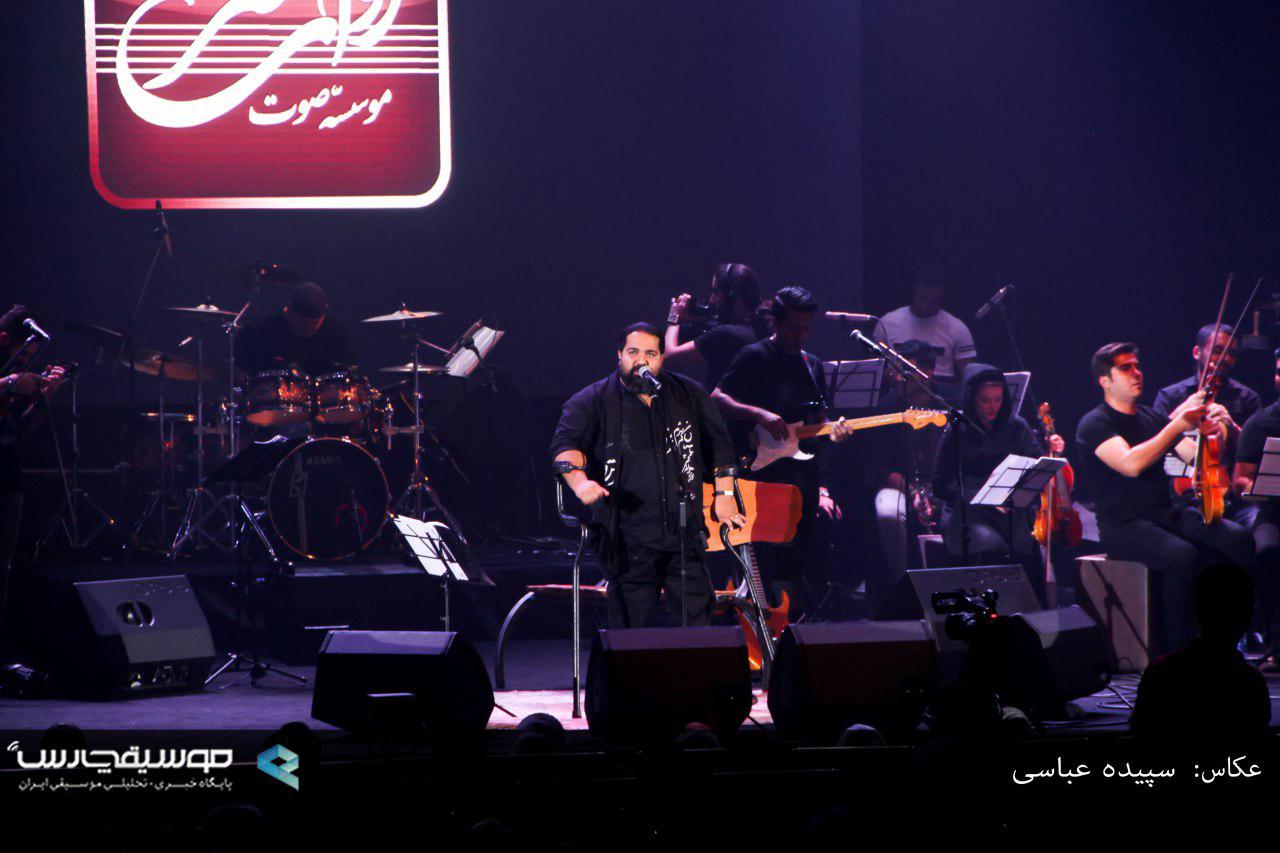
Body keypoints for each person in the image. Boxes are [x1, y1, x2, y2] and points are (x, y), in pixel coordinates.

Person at [550, 322, 745, 628]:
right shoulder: (592, 400)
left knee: (698, 626)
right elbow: (565, 448)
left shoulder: (688, 394)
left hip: (684, 532)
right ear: (619, 354)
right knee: (631, 633)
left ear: (662, 357)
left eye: (650, 354)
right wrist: (580, 482)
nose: (641, 360)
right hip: (626, 536)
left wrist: (725, 494)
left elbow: (720, 445)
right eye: (633, 352)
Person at [1075, 342, 1254, 654]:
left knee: (1238, 538)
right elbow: (1131, 464)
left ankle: (1228, 636)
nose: (1137, 373)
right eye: (1126, 368)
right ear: (1105, 380)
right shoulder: (1095, 423)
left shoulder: (1151, 417)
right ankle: (1177, 650)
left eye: (1137, 366)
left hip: (1165, 513)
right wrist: (1177, 424)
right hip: (1123, 524)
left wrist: (1217, 430)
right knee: (1180, 555)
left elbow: (1194, 456)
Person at [713, 286, 852, 613]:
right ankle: (759, 621)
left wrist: (834, 431)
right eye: (793, 328)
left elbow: (819, 419)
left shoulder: (811, 364)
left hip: (802, 475)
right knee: (765, 556)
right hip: (761, 472)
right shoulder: (754, 356)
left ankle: (789, 623)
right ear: (775, 323)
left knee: (798, 558)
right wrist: (758, 414)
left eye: (806, 328)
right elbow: (717, 397)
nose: (800, 335)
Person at [931, 362, 1058, 600]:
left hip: (1010, 509)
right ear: (972, 399)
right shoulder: (957, 430)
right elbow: (940, 483)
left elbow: (1036, 466)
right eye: (985, 400)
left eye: (998, 399)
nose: (993, 407)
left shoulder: (1016, 425)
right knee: (991, 545)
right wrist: (974, 498)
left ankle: (1031, 610)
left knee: (1026, 544)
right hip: (968, 512)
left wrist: (1014, 495)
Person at [1130, 562, 1270, 748]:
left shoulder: (1160, 672)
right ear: (1248, 616)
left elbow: (1140, 731)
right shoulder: (1251, 683)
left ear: (1195, 611)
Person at [0, 305, 67, 636]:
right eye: (23, 353)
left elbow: (21, 434)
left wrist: (43, 398)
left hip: (8, 479)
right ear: (4, 339)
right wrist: (11, 383)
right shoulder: (9, 377)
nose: (26, 361)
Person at [1153, 322, 1261, 526]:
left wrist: (1232, 426)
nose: (1224, 359)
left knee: (1258, 522)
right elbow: (1151, 443)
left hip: (1234, 498)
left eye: (1231, 354)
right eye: (1217, 351)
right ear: (1197, 352)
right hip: (1180, 495)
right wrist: (1179, 413)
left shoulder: (1247, 398)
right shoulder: (1170, 396)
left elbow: (1256, 452)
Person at [864, 340, 945, 600]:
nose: (897, 377)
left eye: (904, 370)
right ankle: (902, 588)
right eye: (895, 369)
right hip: (899, 484)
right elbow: (879, 465)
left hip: (942, 483)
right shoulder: (886, 407)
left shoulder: (947, 402)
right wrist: (913, 492)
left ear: (928, 372)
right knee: (889, 512)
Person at [1230, 348, 1280, 653]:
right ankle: (1274, 641)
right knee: (1268, 551)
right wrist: (1264, 488)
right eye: (1279, 371)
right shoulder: (1260, 423)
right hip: (1273, 510)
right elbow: (1240, 481)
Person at [663, 263, 765, 391]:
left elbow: (668, 359)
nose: (712, 299)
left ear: (731, 298)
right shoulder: (760, 327)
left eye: (716, 292)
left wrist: (674, 317)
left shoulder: (726, 334)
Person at [872, 269, 976, 384]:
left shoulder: (958, 328)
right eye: (922, 298)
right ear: (914, 292)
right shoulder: (887, 323)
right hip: (899, 386)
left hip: (940, 390)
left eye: (933, 300)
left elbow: (968, 373)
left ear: (941, 297)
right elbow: (874, 367)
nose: (925, 304)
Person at [238, 282, 356, 376]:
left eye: (314, 323)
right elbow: (238, 371)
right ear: (289, 311)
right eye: (302, 322)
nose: (308, 328)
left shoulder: (337, 336)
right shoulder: (260, 331)